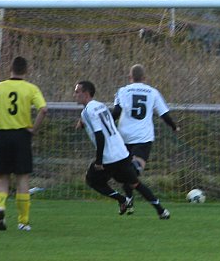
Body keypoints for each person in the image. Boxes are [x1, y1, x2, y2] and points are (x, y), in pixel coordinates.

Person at [75, 81, 169, 218]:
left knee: (92, 180)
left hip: (108, 157)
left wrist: (99, 161)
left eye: (77, 92)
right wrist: (83, 123)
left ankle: (123, 200)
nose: (75, 94)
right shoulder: (99, 105)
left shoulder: (87, 111)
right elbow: (104, 122)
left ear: (86, 93)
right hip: (122, 152)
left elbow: (99, 135)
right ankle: (162, 211)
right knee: (135, 183)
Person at [0, 56, 48, 231]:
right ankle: (23, 221)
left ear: (10, 69)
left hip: (2, 135)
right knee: (22, 178)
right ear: (26, 70)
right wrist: (34, 129)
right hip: (22, 135)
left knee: (2, 178)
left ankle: (0, 208)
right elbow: (44, 110)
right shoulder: (31, 88)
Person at [111, 64, 177, 215]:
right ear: (145, 78)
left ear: (130, 77)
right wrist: (174, 127)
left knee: (126, 172)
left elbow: (116, 112)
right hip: (143, 138)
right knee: (131, 173)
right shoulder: (152, 92)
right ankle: (149, 207)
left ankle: (129, 201)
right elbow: (163, 114)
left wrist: (106, 125)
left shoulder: (122, 91)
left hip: (124, 137)